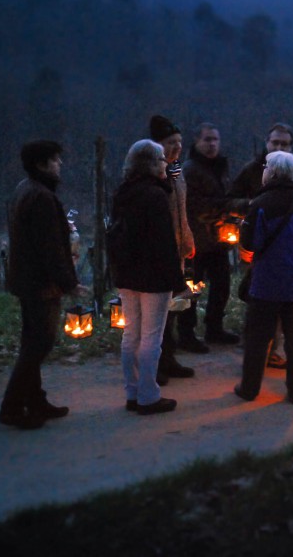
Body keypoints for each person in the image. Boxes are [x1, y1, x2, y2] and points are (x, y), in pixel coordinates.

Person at [0, 140, 89, 429]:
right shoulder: (41, 197)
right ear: (41, 164)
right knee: (39, 343)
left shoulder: (25, 190)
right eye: (54, 160)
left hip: (27, 279)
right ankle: (12, 407)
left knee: (32, 340)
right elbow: (50, 247)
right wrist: (68, 282)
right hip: (40, 283)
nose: (59, 164)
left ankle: (35, 399)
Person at [233, 151, 293, 403]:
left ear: (271, 173)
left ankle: (249, 389)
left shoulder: (260, 206)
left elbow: (250, 245)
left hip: (268, 284)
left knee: (258, 338)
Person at [112, 139, 187, 415]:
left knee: (131, 334)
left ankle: (132, 392)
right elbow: (163, 242)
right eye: (161, 160)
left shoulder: (123, 192)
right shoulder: (155, 196)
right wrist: (176, 281)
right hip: (153, 275)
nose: (166, 164)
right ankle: (148, 395)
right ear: (151, 164)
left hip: (128, 273)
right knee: (151, 337)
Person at [230, 122, 293, 368]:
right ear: (267, 143)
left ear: (292, 147)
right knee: (257, 298)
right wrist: (252, 206)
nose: (279, 147)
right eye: (275, 142)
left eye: (284, 143)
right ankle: (254, 348)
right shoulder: (251, 170)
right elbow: (230, 200)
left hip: (289, 248)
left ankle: (271, 349)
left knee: (282, 301)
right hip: (257, 246)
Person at [180, 123, 246, 351]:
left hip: (216, 240)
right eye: (207, 139)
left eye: (215, 139)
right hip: (197, 242)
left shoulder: (219, 167)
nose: (212, 144)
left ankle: (214, 328)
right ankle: (186, 334)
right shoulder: (190, 170)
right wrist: (229, 208)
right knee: (192, 289)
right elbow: (197, 206)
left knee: (221, 285)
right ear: (197, 142)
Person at [148, 115, 197, 385]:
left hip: (177, 247)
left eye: (179, 142)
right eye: (170, 143)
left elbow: (181, 207)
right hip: (158, 251)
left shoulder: (176, 170)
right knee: (156, 310)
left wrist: (187, 236)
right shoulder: (151, 173)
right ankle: (153, 363)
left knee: (172, 305)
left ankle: (168, 356)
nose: (177, 147)